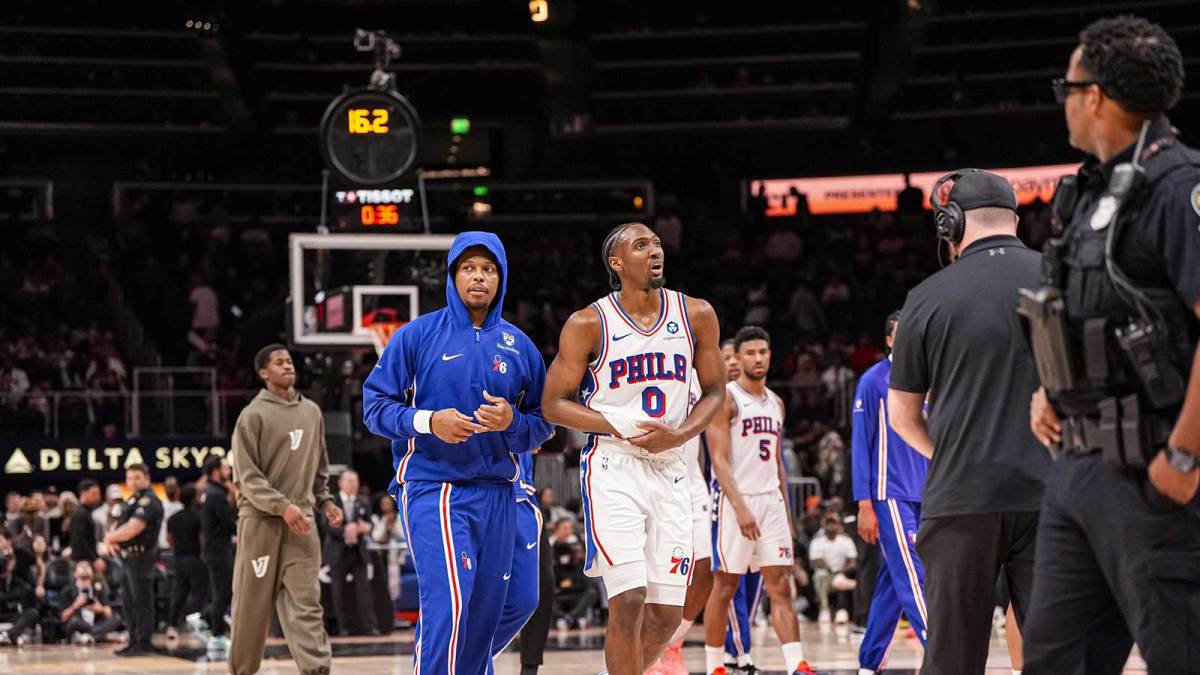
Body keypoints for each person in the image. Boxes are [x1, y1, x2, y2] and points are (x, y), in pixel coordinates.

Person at [1022, 16, 1200, 674]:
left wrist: (1183, 454)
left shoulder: (1179, 188)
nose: (1063, 99)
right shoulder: (1089, 190)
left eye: (1066, 87)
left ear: (1095, 95)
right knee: (1054, 657)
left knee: (1179, 651)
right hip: (1076, 466)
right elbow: (1085, 317)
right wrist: (1052, 392)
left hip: (1153, 467)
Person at [363, 232, 553, 675]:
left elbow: (544, 424)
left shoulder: (520, 346)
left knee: (500, 609)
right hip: (436, 486)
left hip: (499, 491)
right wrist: (430, 421)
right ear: (453, 275)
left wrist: (513, 423)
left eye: (488, 269)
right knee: (448, 604)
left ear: (501, 278)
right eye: (469, 268)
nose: (479, 277)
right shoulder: (416, 335)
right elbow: (374, 408)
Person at [542, 221, 726, 675]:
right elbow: (552, 404)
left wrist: (680, 435)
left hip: (671, 464)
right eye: (641, 245)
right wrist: (618, 426)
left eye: (657, 243)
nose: (655, 250)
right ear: (617, 263)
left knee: (666, 614)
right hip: (614, 466)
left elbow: (717, 391)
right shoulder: (588, 323)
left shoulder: (696, 314)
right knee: (628, 598)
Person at [888, 169, 1046, 675]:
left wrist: (951, 452)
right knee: (1062, 651)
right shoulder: (1059, 277)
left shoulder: (926, 298)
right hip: (1053, 493)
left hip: (962, 497)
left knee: (953, 658)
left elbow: (902, 416)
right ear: (1016, 219)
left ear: (949, 223)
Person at [703, 326, 815, 675]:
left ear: (770, 355)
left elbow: (778, 462)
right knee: (725, 585)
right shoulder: (726, 398)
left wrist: (786, 511)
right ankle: (715, 665)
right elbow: (718, 459)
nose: (757, 359)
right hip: (737, 500)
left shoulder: (777, 403)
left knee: (780, 584)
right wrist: (739, 508)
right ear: (739, 357)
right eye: (750, 353)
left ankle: (796, 663)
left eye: (763, 352)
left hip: (771, 502)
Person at [227, 344, 344, 675]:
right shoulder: (252, 416)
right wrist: (282, 506)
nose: (286, 366)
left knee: (307, 604)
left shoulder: (312, 413)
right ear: (264, 373)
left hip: (302, 522)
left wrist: (326, 502)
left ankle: (317, 670)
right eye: (278, 363)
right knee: (251, 608)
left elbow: (320, 469)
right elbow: (247, 478)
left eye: (289, 361)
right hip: (261, 523)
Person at [851, 311, 930, 674]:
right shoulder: (873, 380)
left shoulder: (929, 380)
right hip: (890, 492)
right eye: (901, 334)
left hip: (926, 491)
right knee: (915, 574)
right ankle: (943, 650)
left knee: (893, 580)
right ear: (889, 340)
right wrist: (864, 502)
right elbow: (860, 444)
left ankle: (869, 663)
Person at [718, 336, 764, 674]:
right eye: (728, 357)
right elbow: (712, 458)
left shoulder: (766, 401)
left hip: (760, 498)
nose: (734, 362)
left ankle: (737, 646)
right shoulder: (714, 399)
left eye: (738, 356)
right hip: (721, 497)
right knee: (728, 581)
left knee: (754, 578)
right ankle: (736, 650)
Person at [492, 452, 553, 675]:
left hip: (523, 495)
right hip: (480, 490)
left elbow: (557, 441)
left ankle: (528, 666)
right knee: (462, 597)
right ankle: (462, 660)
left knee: (532, 596)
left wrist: (539, 426)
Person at [103, 463, 164, 657]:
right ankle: (133, 639)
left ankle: (144, 642)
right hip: (127, 557)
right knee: (128, 601)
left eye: (137, 477)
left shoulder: (150, 501)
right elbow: (118, 524)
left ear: (147, 478)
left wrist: (111, 538)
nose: (133, 482)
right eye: (130, 478)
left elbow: (134, 527)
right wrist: (111, 537)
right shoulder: (131, 501)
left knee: (141, 601)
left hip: (142, 557)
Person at [324, 469, 378, 636]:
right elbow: (325, 525)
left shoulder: (363, 501)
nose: (354, 484)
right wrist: (345, 530)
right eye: (350, 481)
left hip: (358, 551)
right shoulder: (332, 501)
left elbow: (370, 524)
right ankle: (342, 628)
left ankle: (370, 626)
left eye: (356, 481)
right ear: (341, 483)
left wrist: (364, 528)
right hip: (338, 551)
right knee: (338, 592)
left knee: (364, 591)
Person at [201, 455, 237, 651]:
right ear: (216, 471)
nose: (229, 471)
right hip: (218, 550)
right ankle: (216, 633)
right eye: (225, 468)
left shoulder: (212, 491)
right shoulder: (216, 494)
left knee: (224, 591)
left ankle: (205, 618)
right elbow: (228, 522)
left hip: (215, 549)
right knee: (223, 592)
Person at [166, 483, 207, 640]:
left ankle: (172, 625)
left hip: (178, 559)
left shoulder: (173, 518)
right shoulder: (198, 517)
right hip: (195, 558)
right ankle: (195, 623)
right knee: (198, 593)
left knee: (179, 592)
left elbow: (169, 539)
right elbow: (202, 539)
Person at [58, 559, 122, 645]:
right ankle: (102, 636)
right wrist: (74, 606)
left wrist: (101, 609)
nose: (85, 568)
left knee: (116, 618)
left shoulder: (99, 590)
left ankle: (88, 637)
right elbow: (63, 618)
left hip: (96, 624)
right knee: (74, 622)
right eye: (81, 566)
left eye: (88, 566)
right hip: (79, 624)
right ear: (75, 573)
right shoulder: (67, 591)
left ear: (92, 573)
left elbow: (109, 614)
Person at [809, 513, 857, 623]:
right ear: (823, 526)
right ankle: (824, 609)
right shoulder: (817, 541)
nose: (831, 526)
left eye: (833, 523)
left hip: (843, 572)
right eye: (828, 524)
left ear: (838, 525)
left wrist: (843, 572)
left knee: (842, 580)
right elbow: (816, 560)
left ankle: (842, 610)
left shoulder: (846, 540)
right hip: (826, 572)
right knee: (821, 575)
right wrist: (832, 570)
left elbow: (852, 561)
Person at [0, 531, 38, 646]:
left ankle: (8, 634)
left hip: (11, 614)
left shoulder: (16, 578)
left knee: (32, 612)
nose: (6, 563)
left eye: (10, 560)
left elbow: (28, 590)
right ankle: (14, 636)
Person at [69, 478, 101, 564]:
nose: (97, 497)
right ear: (83, 493)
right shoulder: (80, 514)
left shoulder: (85, 512)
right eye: (94, 494)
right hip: (83, 562)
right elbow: (79, 541)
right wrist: (94, 559)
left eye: (98, 494)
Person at [159, 476, 182, 551]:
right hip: (162, 547)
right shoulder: (160, 506)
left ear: (178, 488)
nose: (170, 489)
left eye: (172, 486)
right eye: (168, 487)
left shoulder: (184, 507)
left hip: (180, 548)